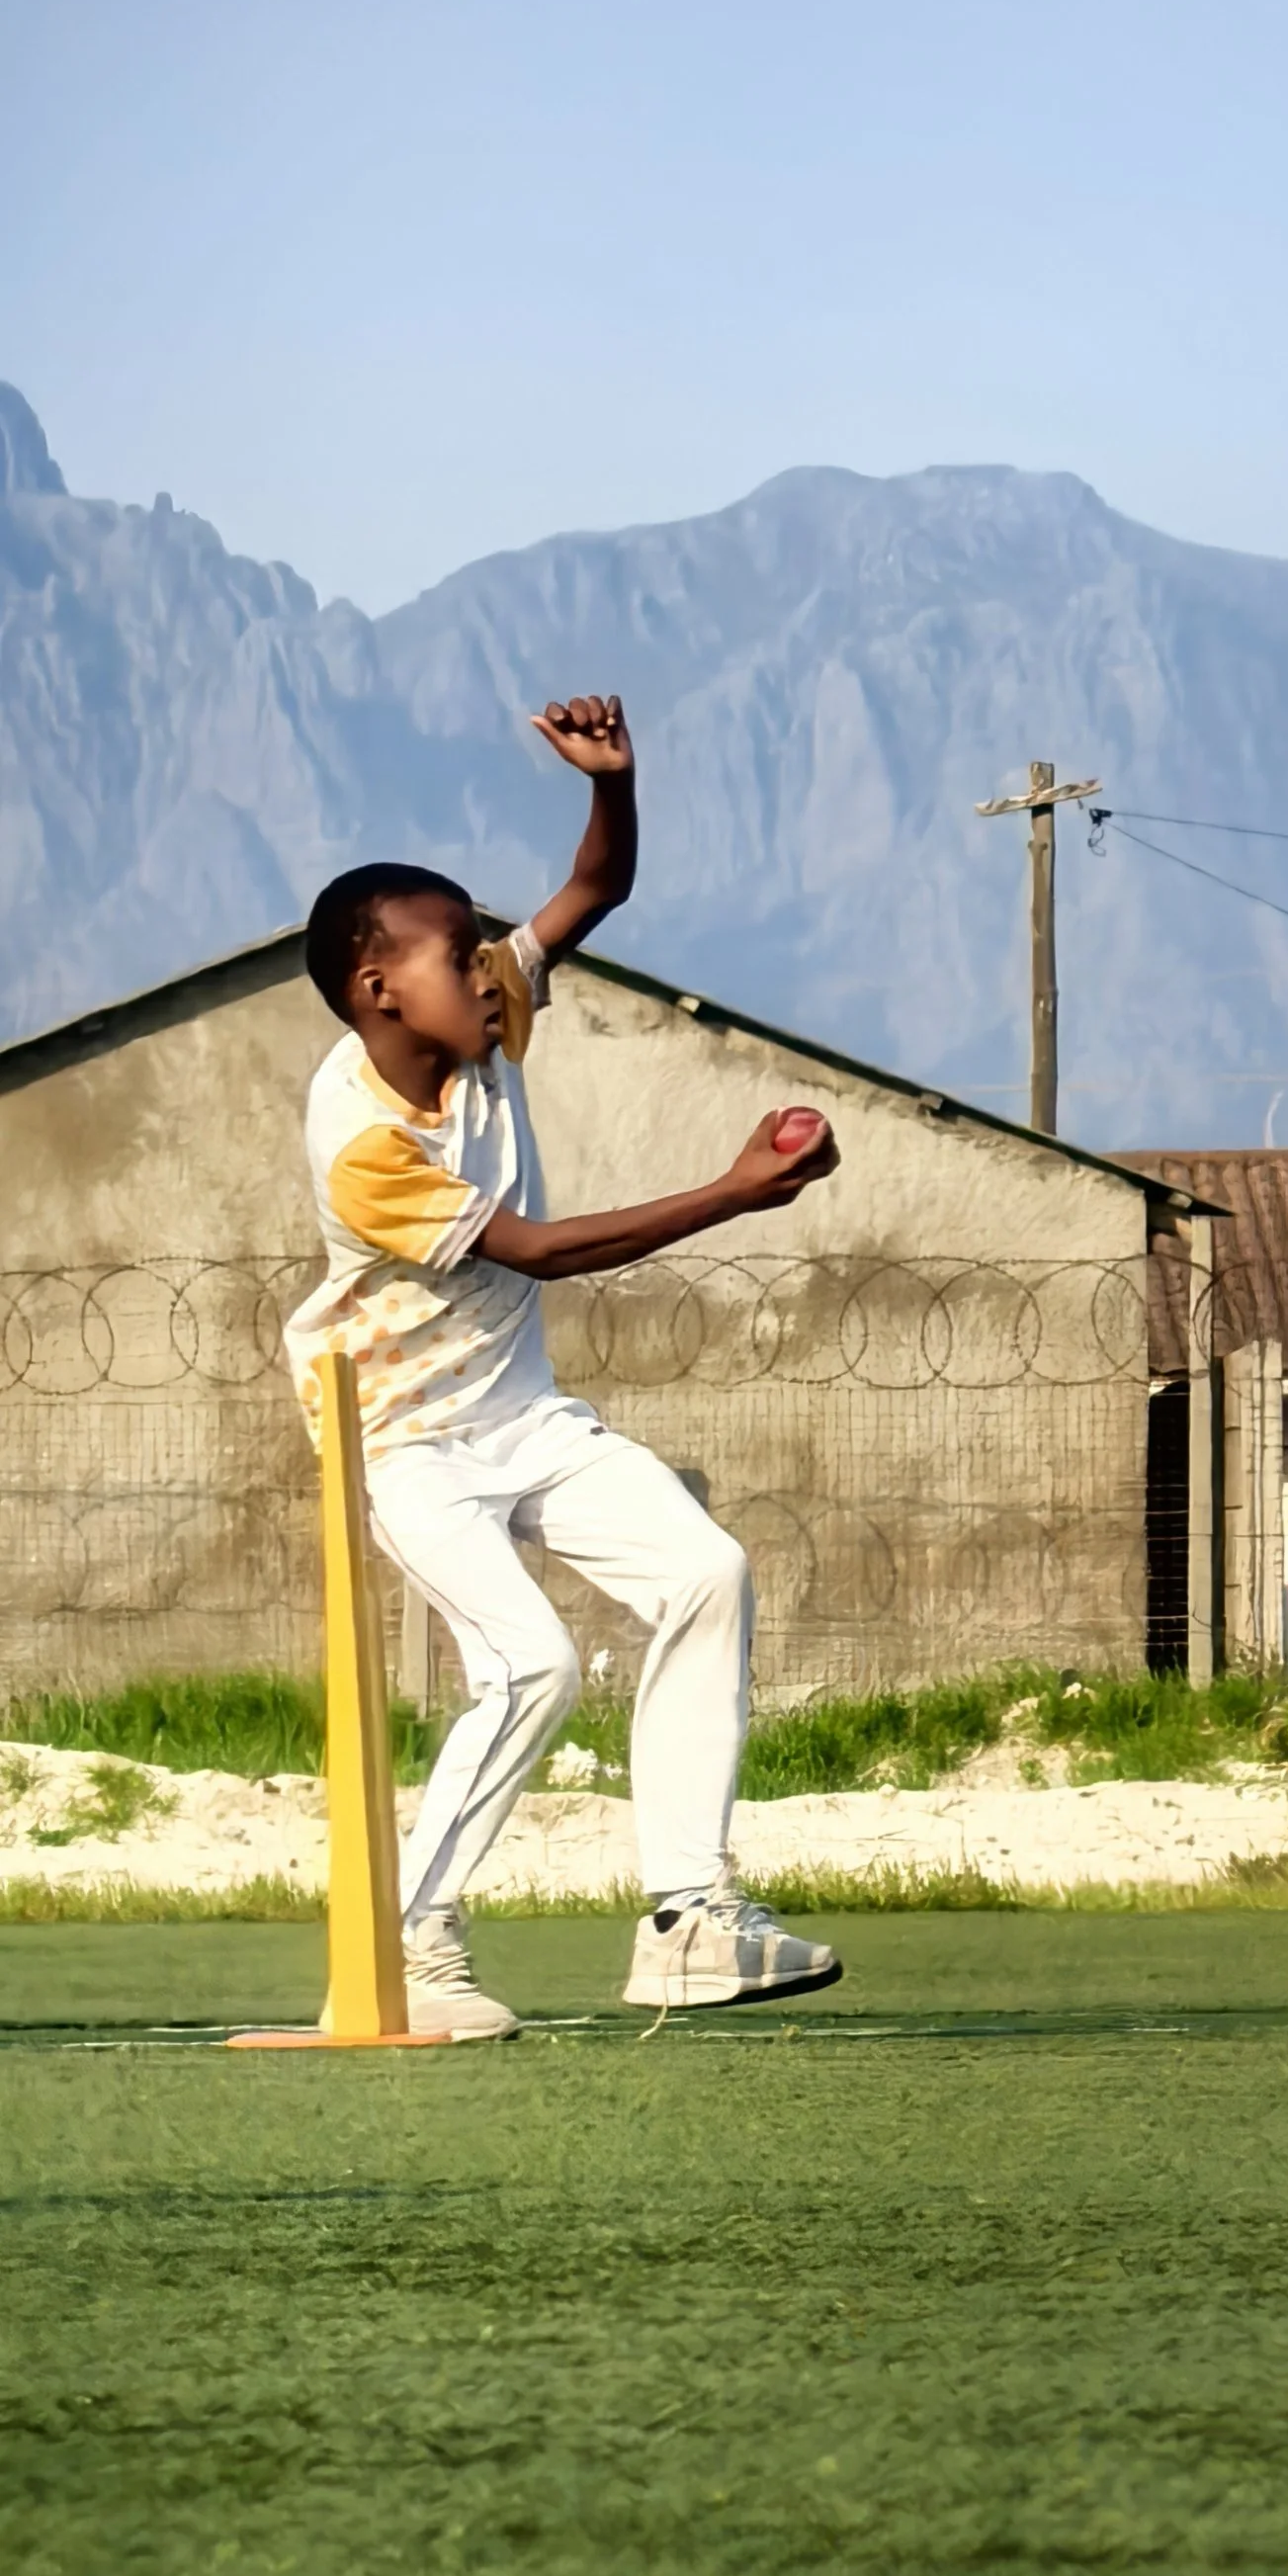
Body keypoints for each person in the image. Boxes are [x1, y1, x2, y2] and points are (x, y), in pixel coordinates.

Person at [286, 692, 845, 2039]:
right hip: (405, 1438)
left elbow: (597, 882)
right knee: (533, 1665)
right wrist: (735, 1192)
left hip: (524, 1416)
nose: (489, 972)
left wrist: (614, 781)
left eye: (488, 953)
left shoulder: (483, 1017)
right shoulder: (359, 1139)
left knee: (705, 1570)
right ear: (378, 992)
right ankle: (411, 1939)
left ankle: (689, 1917)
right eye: (454, 958)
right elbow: (533, 1252)